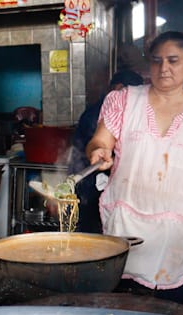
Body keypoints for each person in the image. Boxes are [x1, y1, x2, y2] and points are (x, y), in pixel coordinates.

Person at [86, 31, 183, 315]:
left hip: (178, 231)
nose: (164, 68)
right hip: (127, 226)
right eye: (157, 61)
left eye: (173, 61)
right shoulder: (123, 101)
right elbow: (100, 140)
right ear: (148, 65)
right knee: (121, 314)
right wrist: (99, 151)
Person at [70, 69, 144, 233]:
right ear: (118, 88)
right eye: (133, 93)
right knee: (92, 230)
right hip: (90, 182)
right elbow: (100, 148)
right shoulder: (97, 113)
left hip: (98, 181)